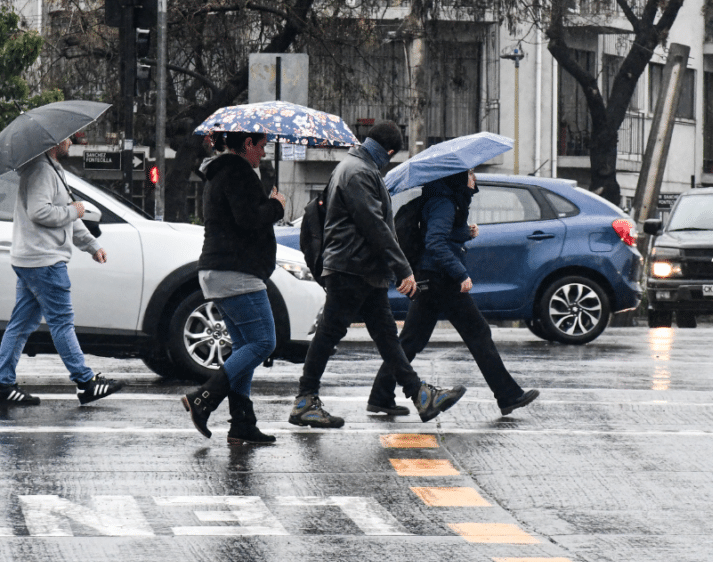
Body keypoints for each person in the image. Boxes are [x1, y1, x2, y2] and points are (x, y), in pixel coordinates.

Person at [290, 121, 466, 427]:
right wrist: (403, 269)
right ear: (389, 151)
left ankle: (419, 394)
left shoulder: (357, 167)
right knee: (330, 334)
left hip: (362, 269)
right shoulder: (359, 172)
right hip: (351, 268)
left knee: (386, 337)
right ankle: (305, 399)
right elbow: (374, 225)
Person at [367, 169, 539, 416]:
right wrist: (460, 274)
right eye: (470, 174)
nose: (474, 178)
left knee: (411, 340)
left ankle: (380, 396)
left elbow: (438, 234)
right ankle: (508, 395)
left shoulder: (446, 200)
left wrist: (464, 232)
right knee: (478, 333)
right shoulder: (445, 202)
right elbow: (435, 242)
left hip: (432, 278)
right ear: (457, 178)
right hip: (441, 280)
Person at [0, 135, 124, 406]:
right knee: (61, 322)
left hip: (34, 258)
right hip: (45, 260)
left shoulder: (50, 169)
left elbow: (63, 214)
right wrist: (74, 211)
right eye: (67, 139)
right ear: (52, 142)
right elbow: (41, 212)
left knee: (21, 324)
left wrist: (91, 245)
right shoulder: (41, 170)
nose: (70, 143)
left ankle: (2, 385)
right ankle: (86, 383)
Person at [181, 131, 285, 445]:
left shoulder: (218, 172)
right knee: (264, 342)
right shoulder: (237, 172)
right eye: (262, 146)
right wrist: (276, 206)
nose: (264, 153)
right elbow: (248, 219)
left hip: (219, 269)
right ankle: (204, 398)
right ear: (248, 144)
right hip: (237, 270)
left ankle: (242, 423)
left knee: (244, 347)